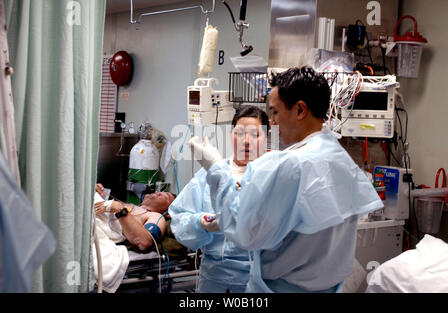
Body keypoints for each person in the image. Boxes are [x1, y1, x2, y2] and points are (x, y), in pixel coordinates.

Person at [189, 67, 384, 293]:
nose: (271, 122)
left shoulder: (290, 166)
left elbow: (246, 234)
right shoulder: (341, 159)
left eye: (275, 113)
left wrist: (216, 170)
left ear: (300, 110)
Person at [169, 106, 270, 293]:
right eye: (239, 133)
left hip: (261, 280)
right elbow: (179, 219)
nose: (246, 141)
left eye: (255, 134)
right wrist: (201, 223)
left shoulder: (273, 176)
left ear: (267, 136)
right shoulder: (209, 174)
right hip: (215, 279)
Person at [94, 184, 176, 251]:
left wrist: (121, 210)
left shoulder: (155, 216)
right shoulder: (130, 205)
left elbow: (144, 241)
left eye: (166, 195)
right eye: (160, 191)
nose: (157, 192)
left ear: (168, 213)